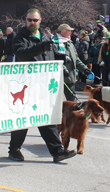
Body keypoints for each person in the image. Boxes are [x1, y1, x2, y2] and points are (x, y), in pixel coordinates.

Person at [7, 9, 77, 163]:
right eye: (29, 20)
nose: (32, 23)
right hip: (27, 84)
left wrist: (61, 57)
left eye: (35, 20)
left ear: (40, 20)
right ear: (26, 20)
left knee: (45, 117)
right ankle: (14, 149)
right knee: (23, 119)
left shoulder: (46, 37)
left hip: (44, 85)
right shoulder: (20, 37)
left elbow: (49, 54)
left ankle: (57, 151)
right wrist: (42, 47)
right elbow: (21, 54)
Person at [55, 23, 92, 101]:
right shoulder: (54, 43)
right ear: (62, 32)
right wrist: (63, 69)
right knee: (56, 103)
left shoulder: (70, 43)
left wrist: (85, 69)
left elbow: (76, 60)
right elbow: (54, 59)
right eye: (68, 31)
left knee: (72, 103)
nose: (70, 33)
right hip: (57, 79)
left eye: (70, 31)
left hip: (69, 78)